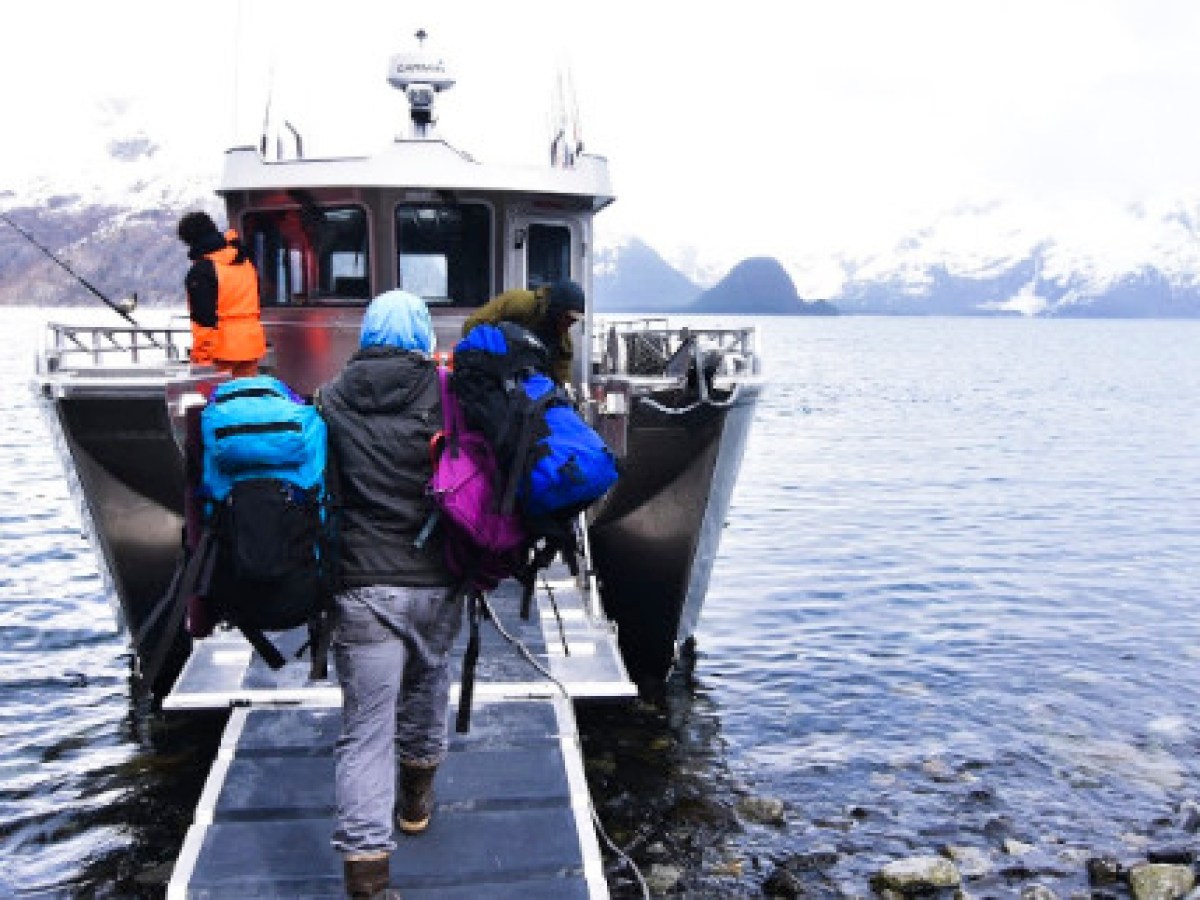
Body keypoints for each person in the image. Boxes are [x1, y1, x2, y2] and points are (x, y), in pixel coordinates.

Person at [317, 290, 462, 900]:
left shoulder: (329, 399)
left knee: (365, 729)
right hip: (437, 578)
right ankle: (417, 802)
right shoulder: (447, 393)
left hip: (361, 587)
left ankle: (369, 879)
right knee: (429, 690)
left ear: (367, 334)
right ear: (424, 334)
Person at [176, 211, 267, 376]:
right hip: (251, 344)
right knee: (245, 396)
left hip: (221, 351)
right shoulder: (245, 261)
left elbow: (204, 319)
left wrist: (201, 358)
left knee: (221, 398)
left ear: (190, 240)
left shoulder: (202, 270)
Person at [461, 279, 585, 385]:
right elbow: (471, 325)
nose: (570, 323)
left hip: (525, 387)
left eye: (574, 320)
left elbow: (562, 381)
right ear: (557, 309)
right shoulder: (519, 303)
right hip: (491, 370)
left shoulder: (563, 343)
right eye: (568, 318)